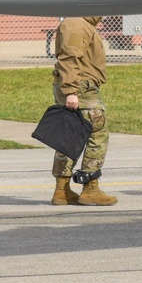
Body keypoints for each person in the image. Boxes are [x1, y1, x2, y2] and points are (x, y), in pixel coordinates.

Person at [51, 15, 117, 206]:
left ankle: (62, 191)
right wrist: (71, 91)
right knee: (97, 132)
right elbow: (70, 57)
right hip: (81, 87)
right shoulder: (76, 23)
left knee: (70, 135)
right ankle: (90, 188)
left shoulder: (81, 23)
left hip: (77, 86)